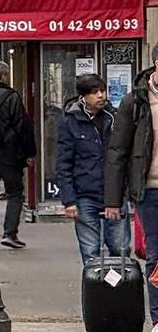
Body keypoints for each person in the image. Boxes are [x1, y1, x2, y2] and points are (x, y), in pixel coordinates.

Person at [105, 46, 158, 332]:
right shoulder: (135, 102)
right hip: (150, 188)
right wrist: (113, 199)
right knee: (156, 253)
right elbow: (117, 152)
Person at [59, 73, 122, 263]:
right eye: (95, 92)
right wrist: (69, 201)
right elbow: (64, 163)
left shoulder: (114, 118)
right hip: (85, 193)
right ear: (84, 96)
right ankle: (96, 291)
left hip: (115, 193)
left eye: (102, 91)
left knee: (119, 249)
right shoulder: (70, 122)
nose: (101, 96)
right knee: (91, 252)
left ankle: (119, 291)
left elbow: (122, 157)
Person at [0, 61, 37, 249]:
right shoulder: (11, 96)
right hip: (9, 154)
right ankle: (9, 233)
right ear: (5, 76)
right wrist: (29, 153)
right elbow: (22, 126)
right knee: (15, 193)